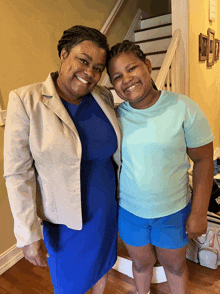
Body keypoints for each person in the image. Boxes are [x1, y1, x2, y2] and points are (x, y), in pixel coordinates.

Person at [4, 25, 121, 294]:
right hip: (65, 222)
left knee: (101, 271)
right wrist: (27, 233)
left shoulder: (102, 97)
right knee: (70, 287)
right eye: (83, 60)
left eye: (98, 68)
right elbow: (16, 173)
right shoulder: (26, 101)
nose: (90, 73)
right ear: (64, 54)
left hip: (105, 211)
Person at [107, 40, 214, 294]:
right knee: (141, 264)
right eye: (117, 76)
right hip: (131, 212)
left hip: (173, 212)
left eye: (132, 68)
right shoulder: (116, 117)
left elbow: (204, 161)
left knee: (174, 267)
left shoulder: (184, 108)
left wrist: (199, 213)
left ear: (147, 64)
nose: (127, 80)